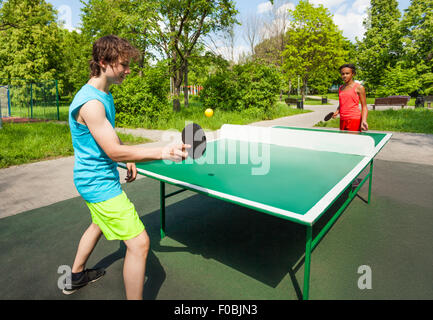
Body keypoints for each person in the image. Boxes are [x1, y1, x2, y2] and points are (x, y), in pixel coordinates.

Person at [64, 35, 189, 299]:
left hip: (94, 178)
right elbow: (112, 150)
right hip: (97, 184)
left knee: (98, 223)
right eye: (123, 64)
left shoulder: (102, 94)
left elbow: (109, 136)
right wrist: (163, 151)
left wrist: (128, 158)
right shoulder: (92, 103)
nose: (128, 70)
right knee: (140, 243)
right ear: (103, 62)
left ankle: (75, 275)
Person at [332, 64, 368, 132]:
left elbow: (364, 107)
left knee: (353, 141)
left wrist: (364, 121)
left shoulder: (359, 88)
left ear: (353, 74)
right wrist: (337, 111)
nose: (344, 76)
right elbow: (342, 103)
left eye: (347, 73)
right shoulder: (340, 88)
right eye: (342, 74)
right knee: (344, 141)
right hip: (342, 120)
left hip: (354, 119)